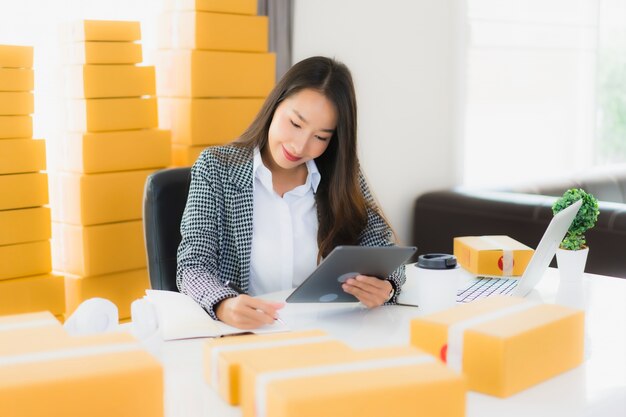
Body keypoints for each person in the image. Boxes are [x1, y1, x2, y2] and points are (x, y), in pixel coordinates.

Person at [177, 56, 405, 330]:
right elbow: (192, 265)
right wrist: (223, 303)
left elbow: (385, 252)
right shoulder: (217, 168)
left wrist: (387, 286)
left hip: (328, 333)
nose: (299, 146)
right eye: (295, 124)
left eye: (320, 137)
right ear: (276, 105)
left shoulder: (339, 173)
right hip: (247, 335)